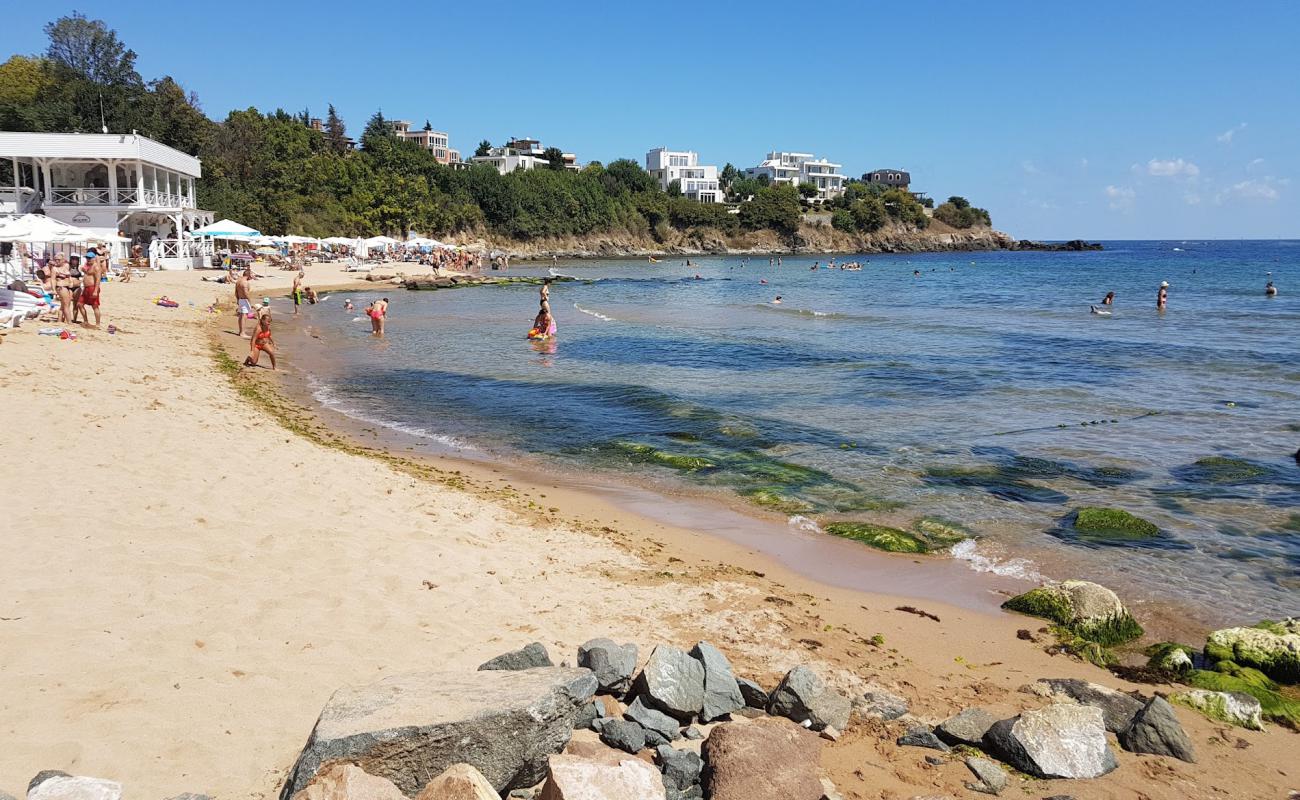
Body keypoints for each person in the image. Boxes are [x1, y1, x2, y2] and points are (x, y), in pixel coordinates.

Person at [77, 250, 106, 328]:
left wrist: (96, 290)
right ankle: (86, 321)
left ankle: (98, 324)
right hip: (86, 288)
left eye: (90, 258)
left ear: (94, 258)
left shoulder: (96, 267)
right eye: (87, 258)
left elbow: (98, 279)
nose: (88, 259)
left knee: (95, 306)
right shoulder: (88, 266)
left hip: (93, 287)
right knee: (79, 304)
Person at [234, 268, 253, 337]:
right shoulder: (245, 282)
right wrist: (249, 301)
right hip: (244, 299)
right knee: (244, 315)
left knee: (241, 315)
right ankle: (242, 333)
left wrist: (238, 300)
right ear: (248, 274)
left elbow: (236, 292)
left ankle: (241, 331)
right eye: (251, 274)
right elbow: (246, 293)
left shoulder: (238, 281)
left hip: (240, 299)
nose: (252, 276)